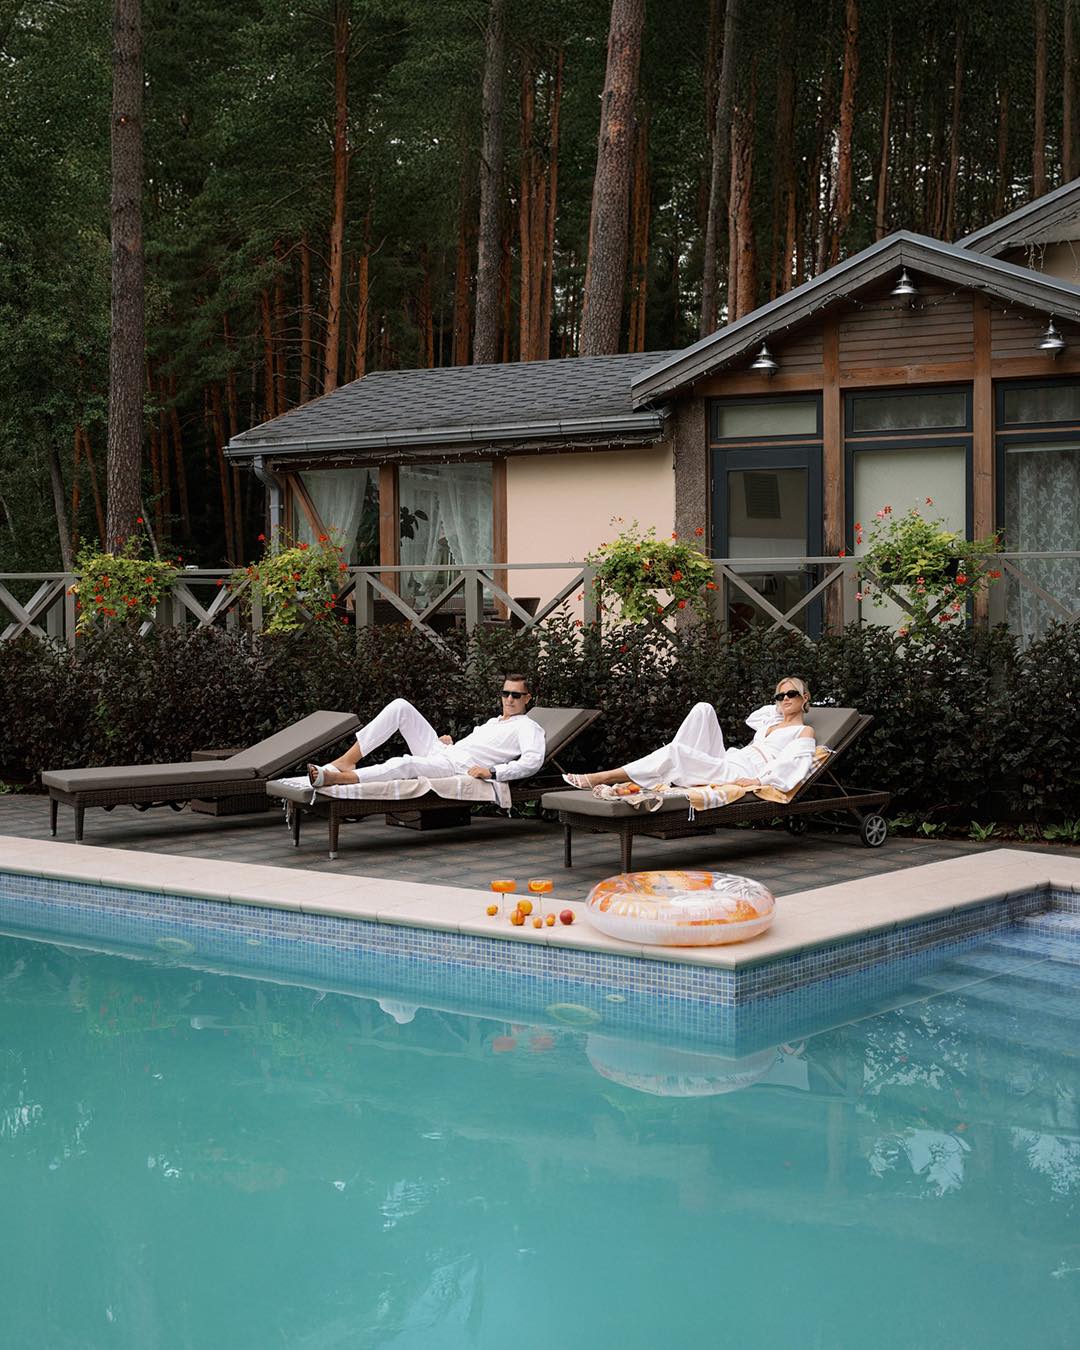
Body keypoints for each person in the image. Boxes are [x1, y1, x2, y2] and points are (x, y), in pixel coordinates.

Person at [564, 676, 816, 793]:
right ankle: (669, 771)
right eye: (780, 695)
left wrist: (758, 780)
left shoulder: (803, 731)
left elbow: (793, 764)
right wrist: (781, 709)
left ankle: (602, 777)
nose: (784, 699)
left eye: (791, 694)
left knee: (676, 751)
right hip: (730, 758)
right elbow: (754, 718)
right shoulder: (771, 720)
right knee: (703, 709)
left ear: (805, 697)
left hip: (745, 770)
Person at [307, 673, 545, 788]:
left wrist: (492, 772)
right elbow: (479, 747)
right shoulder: (494, 722)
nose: (509, 699)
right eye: (505, 693)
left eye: (516, 695)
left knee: (406, 764)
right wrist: (450, 744)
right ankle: (348, 760)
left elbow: (532, 762)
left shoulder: (527, 726)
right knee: (400, 706)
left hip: (454, 766)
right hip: (444, 752)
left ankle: (339, 778)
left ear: (527, 698)